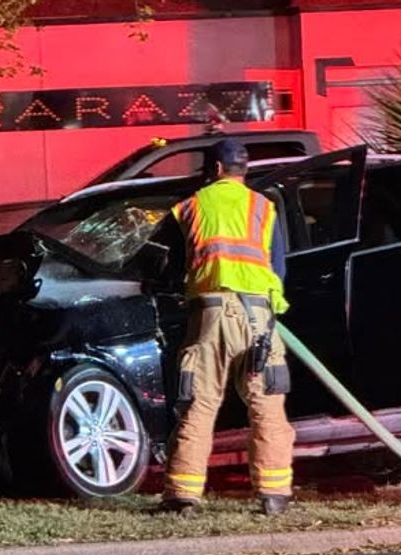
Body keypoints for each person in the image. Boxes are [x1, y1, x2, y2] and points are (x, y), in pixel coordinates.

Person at [159, 139, 295, 516]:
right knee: (266, 404)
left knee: (199, 403)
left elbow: (171, 267)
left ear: (216, 169)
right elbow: (279, 268)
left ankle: (183, 495)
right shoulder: (264, 208)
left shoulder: (192, 205)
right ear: (242, 169)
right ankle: (274, 494)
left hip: (211, 314)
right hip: (259, 319)